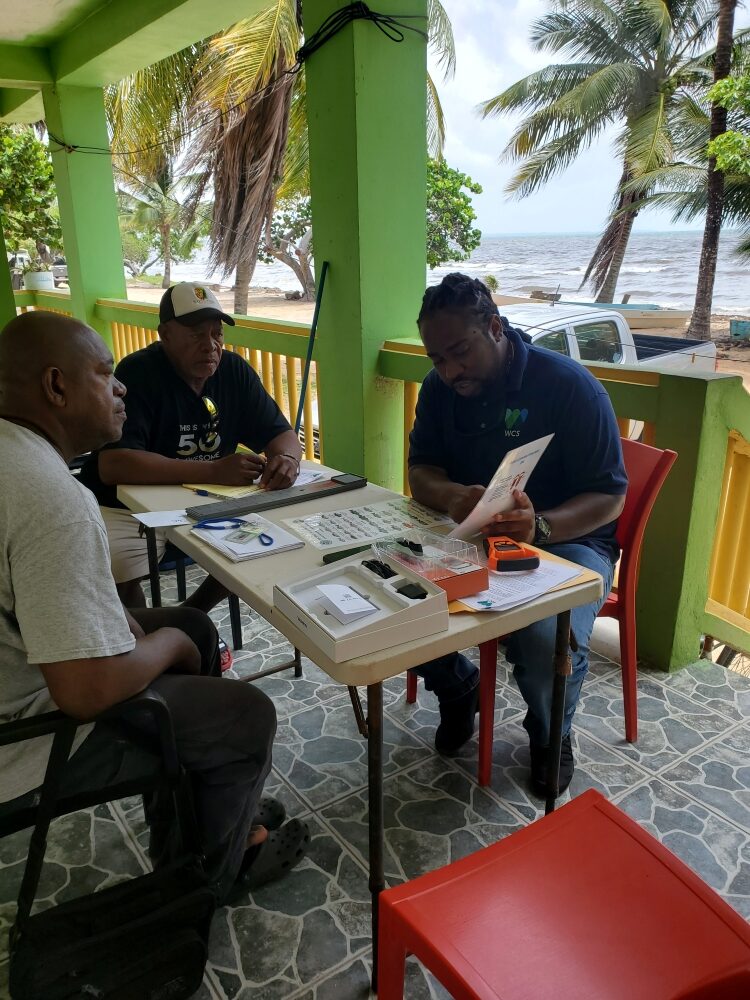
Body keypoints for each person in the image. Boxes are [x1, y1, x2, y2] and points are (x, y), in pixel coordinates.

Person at [0, 311, 308, 903]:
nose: (120, 388)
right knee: (246, 716)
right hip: (25, 737)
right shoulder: (50, 497)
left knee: (192, 623)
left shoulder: (17, 454)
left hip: (25, 665)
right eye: (104, 374)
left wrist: (173, 635)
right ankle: (203, 880)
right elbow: (85, 690)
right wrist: (166, 646)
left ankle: (198, 821)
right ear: (56, 386)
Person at [409, 274, 627, 796]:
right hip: (473, 533)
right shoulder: (439, 388)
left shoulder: (570, 386)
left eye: (460, 352)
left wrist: (541, 526)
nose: (450, 370)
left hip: (570, 540)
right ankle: (457, 687)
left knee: (543, 635)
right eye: (437, 358)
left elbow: (610, 495)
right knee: (395, 590)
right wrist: (452, 496)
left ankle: (551, 733)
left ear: (494, 327)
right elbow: (421, 472)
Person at [80, 282, 303, 609]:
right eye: (197, 335)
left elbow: (281, 434)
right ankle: (141, 631)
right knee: (117, 562)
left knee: (266, 542)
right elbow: (114, 464)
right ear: (165, 335)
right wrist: (213, 471)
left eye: (217, 334)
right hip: (125, 506)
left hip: (207, 503)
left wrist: (287, 459)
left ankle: (191, 615)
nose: (210, 346)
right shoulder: (138, 372)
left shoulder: (233, 371)